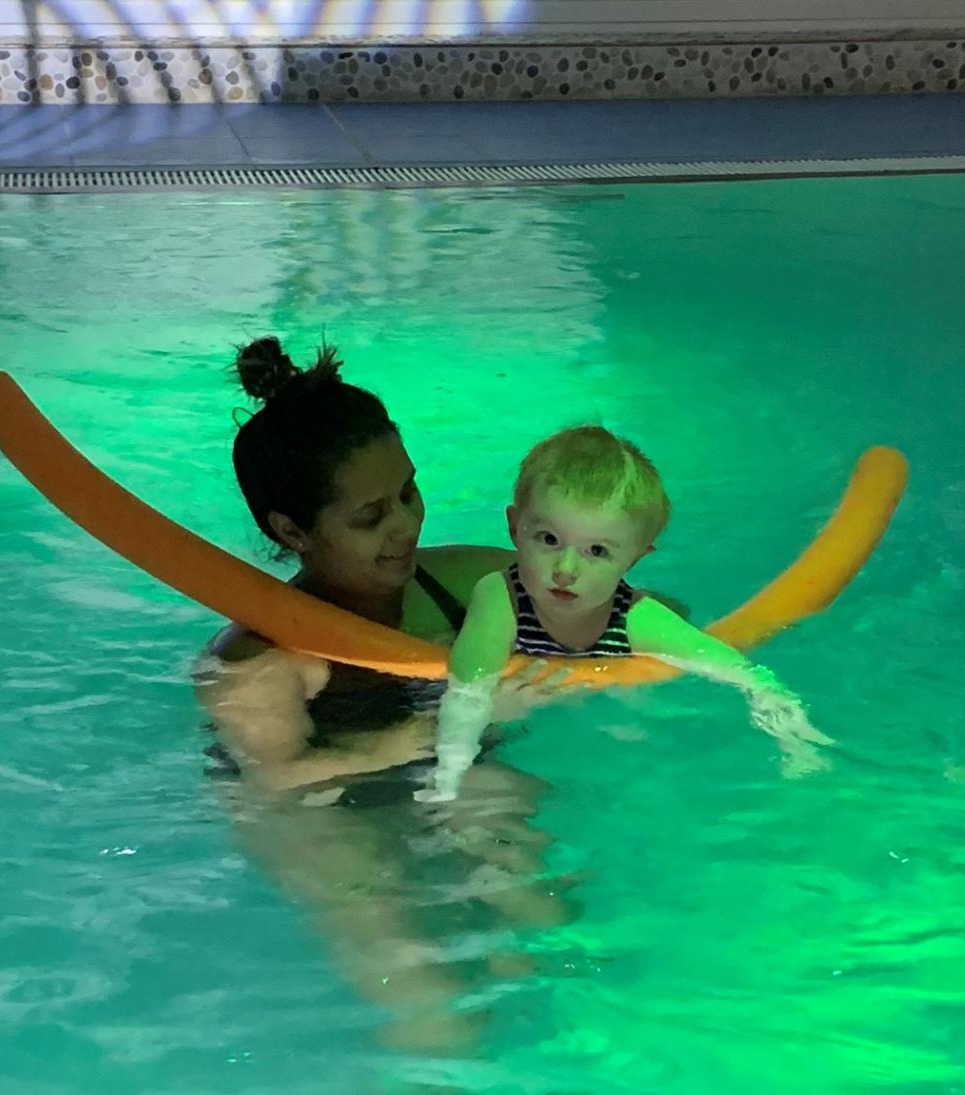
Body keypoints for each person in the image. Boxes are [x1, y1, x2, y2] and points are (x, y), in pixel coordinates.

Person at [193, 336, 580, 1053]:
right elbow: (277, 778)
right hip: (314, 805)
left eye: (408, 492)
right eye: (370, 517)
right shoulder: (258, 663)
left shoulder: (462, 584)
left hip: (443, 764)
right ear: (291, 530)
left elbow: (630, 614)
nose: (406, 525)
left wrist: (556, 662)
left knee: (542, 930)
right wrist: (448, 721)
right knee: (431, 1000)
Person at [417, 426, 834, 803]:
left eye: (596, 551)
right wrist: (450, 775)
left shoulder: (634, 617)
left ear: (635, 558)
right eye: (548, 539)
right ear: (514, 527)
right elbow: (468, 690)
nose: (565, 569)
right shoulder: (500, 598)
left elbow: (731, 667)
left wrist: (786, 723)